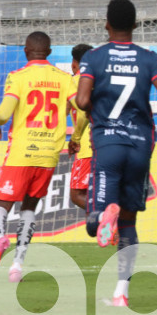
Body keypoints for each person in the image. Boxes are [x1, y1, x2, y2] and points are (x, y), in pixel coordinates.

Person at [69, 0, 157, 307]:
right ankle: (121, 294)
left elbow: (82, 99)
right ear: (135, 24)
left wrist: (97, 106)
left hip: (108, 145)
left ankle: (105, 214)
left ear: (106, 23)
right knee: (129, 224)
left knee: (93, 223)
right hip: (141, 146)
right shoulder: (149, 58)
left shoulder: (94, 57)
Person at [0, 31, 76, 283]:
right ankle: (17, 265)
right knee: (29, 207)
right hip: (49, 154)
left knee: (0, 206)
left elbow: (4, 113)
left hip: (22, 152)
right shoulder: (65, 78)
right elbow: (83, 108)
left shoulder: (18, 77)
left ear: (26, 51)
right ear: (49, 52)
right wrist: (77, 135)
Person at [68, 43, 94, 210]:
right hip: (110, 143)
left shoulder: (72, 82)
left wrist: (75, 138)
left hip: (86, 146)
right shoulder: (103, 79)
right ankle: (114, 226)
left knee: (77, 195)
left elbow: (82, 112)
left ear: (74, 63)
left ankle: (106, 217)